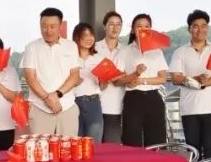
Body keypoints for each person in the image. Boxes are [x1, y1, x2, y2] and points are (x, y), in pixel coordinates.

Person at [169, 10, 211, 162]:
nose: (200, 29)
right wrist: (193, 80)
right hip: (190, 108)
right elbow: (175, 78)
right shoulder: (180, 52)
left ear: (207, 28)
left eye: (204, 26)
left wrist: (206, 82)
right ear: (189, 29)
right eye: (195, 26)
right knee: (193, 148)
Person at [21, 7, 81, 136]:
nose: (48, 31)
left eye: (53, 26)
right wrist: (46, 98)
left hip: (67, 107)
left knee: (68, 146)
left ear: (60, 26)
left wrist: (57, 95)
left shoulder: (71, 46)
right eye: (44, 26)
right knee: (40, 147)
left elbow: (74, 76)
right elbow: (30, 77)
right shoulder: (31, 47)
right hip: (39, 108)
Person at [120, 13, 169, 148]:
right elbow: (119, 79)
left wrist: (142, 80)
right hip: (133, 99)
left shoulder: (157, 51)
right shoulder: (125, 51)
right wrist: (133, 76)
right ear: (132, 30)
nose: (143, 29)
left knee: (156, 142)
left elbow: (163, 78)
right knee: (131, 141)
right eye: (139, 26)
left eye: (147, 26)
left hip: (153, 98)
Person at [95, 11, 127, 143]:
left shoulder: (126, 50)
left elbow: (128, 77)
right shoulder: (94, 47)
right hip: (95, 104)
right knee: (93, 147)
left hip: (116, 105)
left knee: (111, 146)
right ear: (104, 26)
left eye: (118, 24)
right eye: (111, 24)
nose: (115, 28)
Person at [72, 22, 104, 143]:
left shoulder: (99, 58)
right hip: (73, 103)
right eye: (85, 35)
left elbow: (103, 86)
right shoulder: (70, 58)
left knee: (94, 143)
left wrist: (103, 80)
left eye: (91, 35)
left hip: (93, 103)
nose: (89, 38)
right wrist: (73, 82)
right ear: (77, 37)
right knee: (75, 143)